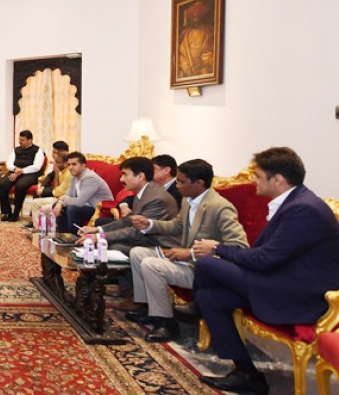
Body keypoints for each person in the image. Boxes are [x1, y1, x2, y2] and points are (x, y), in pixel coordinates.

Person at [189, 147, 339, 394]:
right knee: (210, 297)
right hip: (278, 279)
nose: (253, 180)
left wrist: (217, 248)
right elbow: (268, 256)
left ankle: (194, 309)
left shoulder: (304, 209)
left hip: (298, 294)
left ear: (277, 179)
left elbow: (265, 259)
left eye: (257, 176)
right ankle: (248, 375)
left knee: (207, 263)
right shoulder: (294, 202)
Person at [127, 159, 248, 343]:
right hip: (185, 258)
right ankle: (148, 308)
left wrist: (190, 252)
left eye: (181, 181)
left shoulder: (220, 206)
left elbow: (239, 245)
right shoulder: (187, 200)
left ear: (198, 183)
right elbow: (178, 225)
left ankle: (167, 323)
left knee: (151, 264)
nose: (177, 185)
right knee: (137, 252)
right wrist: (149, 224)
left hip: (202, 270)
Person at [76, 157, 179, 300]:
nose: (121, 179)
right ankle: (126, 289)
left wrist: (99, 237)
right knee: (112, 243)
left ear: (140, 176)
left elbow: (137, 231)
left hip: (158, 244)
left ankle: (133, 294)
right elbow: (127, 221)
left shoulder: (156, 198)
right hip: (146, 239)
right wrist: (97, 230)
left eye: (125, 174)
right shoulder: (145, 192)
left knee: (116, 246)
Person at [51, 151, 113, 233]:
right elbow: (68, 195)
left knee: (72, 209)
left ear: (83, 165)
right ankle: (63, 235)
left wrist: (62, 199)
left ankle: (73, 236)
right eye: (69, 164)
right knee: (56, 205)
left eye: (74, 164)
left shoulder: (90, 178)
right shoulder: (74, 177)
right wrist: (60, 202)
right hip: (87, 205)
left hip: (100, 209)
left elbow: (79, 202)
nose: (70, 167)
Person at [0, 130, 46, 222]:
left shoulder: (38, 150)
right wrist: (15, 169)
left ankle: (16, 213)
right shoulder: (16, 150)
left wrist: (22, 171)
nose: (20, 141)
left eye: (22, 140)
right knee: (1, 184)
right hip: (15, 172)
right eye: (19, 139)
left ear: (29, 140)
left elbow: (37, 167)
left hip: (31, 174)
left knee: (20, 185)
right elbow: (9, 164)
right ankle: (6, 212)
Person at [25, 140, 71, 229]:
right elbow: (50, 175)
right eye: (53, 152)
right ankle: (35, 220)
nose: (53, 155)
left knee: (42, 193)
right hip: (57, 189)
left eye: (55, 152)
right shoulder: (59, 162)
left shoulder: (65, 163)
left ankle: (38, 222)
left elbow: (59, 191)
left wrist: (56, 174)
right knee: (38, 192)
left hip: (61, 192)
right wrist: (42, 186)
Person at [177, 0, 215, 79]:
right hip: (187, 71)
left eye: (198, 16)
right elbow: (182, 53)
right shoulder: (186, 34)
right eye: (193, 16)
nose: (195, 19)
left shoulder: (208, 33)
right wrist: (186, 67)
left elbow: (208, 54)